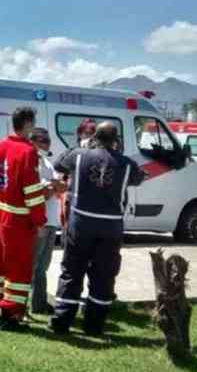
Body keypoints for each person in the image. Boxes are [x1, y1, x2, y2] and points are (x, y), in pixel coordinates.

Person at [49, 122, 146, 336]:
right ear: (116, 140)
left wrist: (82, 147)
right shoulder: (127, 164)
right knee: (103, 276)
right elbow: (140, 178)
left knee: (72, 271)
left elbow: (58, 164)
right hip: (110, 227)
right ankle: (94, 326)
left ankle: (62, 321)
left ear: (94, 137)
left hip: (81, 223)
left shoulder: (80, 155)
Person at [0, 107, 47, 331]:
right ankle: (10, 317)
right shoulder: (28, 151)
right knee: (17, 267)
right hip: (18, 218)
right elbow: (32, 190)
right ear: (27, 124)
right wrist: (39, 221)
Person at [29, 128, 65, 315]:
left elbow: (57, 188)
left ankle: (39, 303)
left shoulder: (47, 164)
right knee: (33, 266)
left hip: (51, 222)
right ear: (32, 141)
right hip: (39, 222)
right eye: (42, 140)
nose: (47, 144)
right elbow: (38, 193)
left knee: (42, 267)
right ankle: (28, 304)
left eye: (48, 141)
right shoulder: (32, 164)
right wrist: (52, 187)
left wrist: (55, 186)